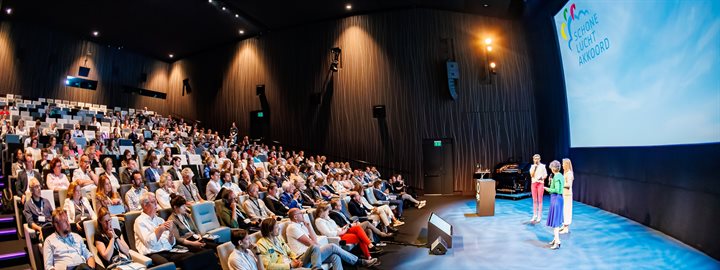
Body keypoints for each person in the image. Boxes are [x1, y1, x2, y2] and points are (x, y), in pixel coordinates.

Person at [134, 192, 210, 269]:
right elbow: (149, 243)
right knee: (168, 266)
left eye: (156, 201)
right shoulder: (140, 221)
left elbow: (171, 242)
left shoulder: (160, 220)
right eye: (153, 202)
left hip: (168, 249)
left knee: (192, 257)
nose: (156, 204)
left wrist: (170, 233)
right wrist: (160, 229)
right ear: (145, 205)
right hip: (153, 253)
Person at [285, 208, 380, 269]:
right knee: (332, 247)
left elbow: (314, 240)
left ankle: (362, 261)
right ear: (295, 217)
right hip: (303, 257)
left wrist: (309, 227)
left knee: (335, 257)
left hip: (313, 253)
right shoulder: (292, 227)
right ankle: (360, 262)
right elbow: (311, 244)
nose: (302, 214)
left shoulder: (301, 225)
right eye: (300, 213)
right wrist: (316, 244)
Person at [314, 202, 379, 259]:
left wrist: (342, 228)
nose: (328, 213)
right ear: (322, 212)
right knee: (360, 237)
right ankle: (368, 256)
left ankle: (370, 245)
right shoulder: (319, 221)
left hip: (341, 232)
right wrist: (341, 231)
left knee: (357, 228)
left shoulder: (327, 218)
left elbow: (335, 227)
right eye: (327, 211)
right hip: (337, 237)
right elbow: (328, 234)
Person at [544, 160, 564, 250]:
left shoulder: (556, 176)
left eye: (551, 167)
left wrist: (546, 188)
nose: (551, 169)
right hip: (558, 199)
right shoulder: (560, 175)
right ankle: (555, 239)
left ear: (553, 168)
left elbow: (556, 189)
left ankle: (557, 242)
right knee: (556, 219)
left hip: (556, 198)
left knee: (555, 222)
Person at [529, 154, 548, 224]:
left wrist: (542, 178)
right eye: (535, 159)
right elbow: (531, 175)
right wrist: (535, 168)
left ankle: (539, 215)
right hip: (534, 183)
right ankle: (534, 215)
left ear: (540, 159)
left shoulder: (543, 166)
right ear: (533, 160)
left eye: (538, 158)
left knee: (540, 200)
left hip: (540, 183)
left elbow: (545, 175)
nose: (536, 160)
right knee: (534, 200)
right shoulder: (532, 167)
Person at [561, 158, 574, 234]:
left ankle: (566, 228)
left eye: (563, 164)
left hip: (568, 195)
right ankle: (564, 225)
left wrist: (560, 184)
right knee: (564, 210)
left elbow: (569, 185)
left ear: (566, 164)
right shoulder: (565, 173)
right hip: (564, 194)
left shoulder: (569, 173)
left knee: (567, 210)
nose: (562, 165)